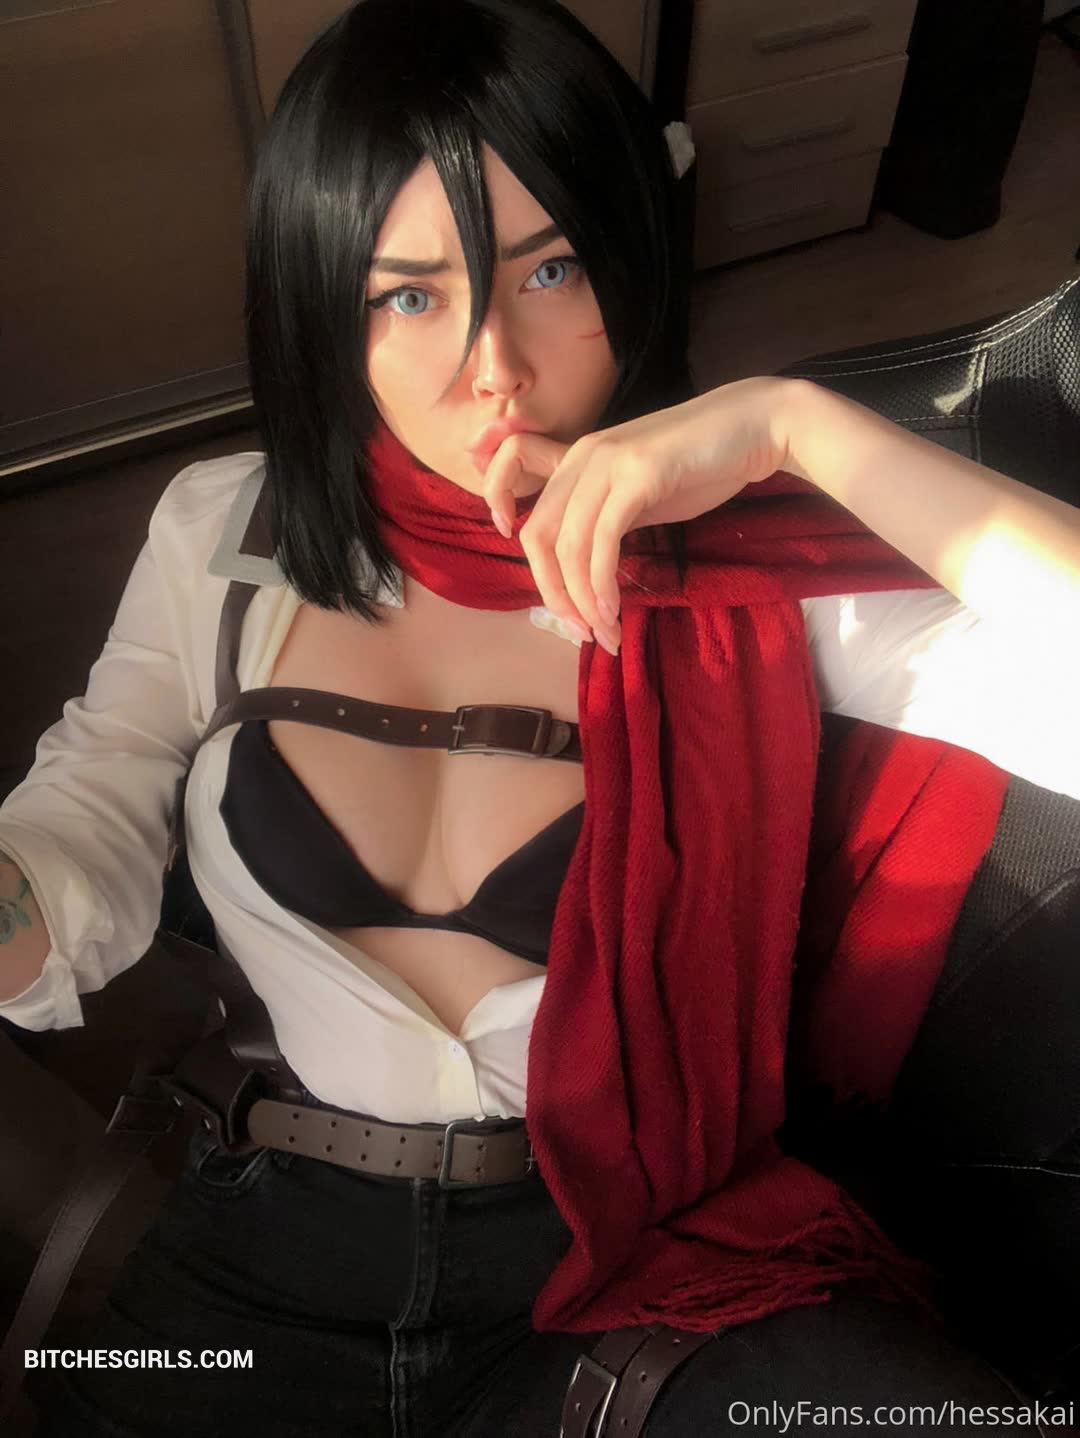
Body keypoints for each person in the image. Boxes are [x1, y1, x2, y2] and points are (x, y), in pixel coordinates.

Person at [2, 1, 1079, 1433]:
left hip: (641, 1267)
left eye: (551, 268)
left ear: (631, 259)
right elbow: (91, 803)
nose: (494, 366)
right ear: (323, 308)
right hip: (258, 1260)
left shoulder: (752, 562)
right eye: (410, 296)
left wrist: (796, 426)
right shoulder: (227, 530)